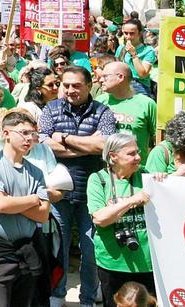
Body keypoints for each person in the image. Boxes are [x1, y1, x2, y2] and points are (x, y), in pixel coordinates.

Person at [39, 66, 118, 307]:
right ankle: (57, 294)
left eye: (76, 85)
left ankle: (87, 299)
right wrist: (87, 143)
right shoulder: (50, 109)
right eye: (66, 85)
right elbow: (43, 143)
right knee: (58, 247)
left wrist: (63, 138)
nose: (70, 90)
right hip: (58, 191)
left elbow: (105, 145)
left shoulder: (103, 112)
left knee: (91, 248)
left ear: (88, 85)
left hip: (92, 192)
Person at [0, 112, 52, 307]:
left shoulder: (36, 172)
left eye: (33, 134)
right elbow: (0, 205)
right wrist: (33, 199)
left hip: (27, 254)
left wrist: (11, 203)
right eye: (24, 132)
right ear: (6, 133)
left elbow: (43, 215)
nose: (29, 138)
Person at [87, 131, 157, 299]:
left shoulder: (146, 175)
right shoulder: (98, 179)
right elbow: (100, 219)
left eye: (138, 152)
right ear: (113, 156)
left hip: (147, 263)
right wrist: (132, 201)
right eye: (131, 154)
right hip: (113, 262)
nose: (138, 157)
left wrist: (169, 177)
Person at [96, 62, 157, 160]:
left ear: (120, 77)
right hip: (105, 169)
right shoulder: (99, 101)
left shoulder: (147, 104)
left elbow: (158, 140)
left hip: (136, 169)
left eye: (105, 76)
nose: (101, 80)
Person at [115, 19, 156, 98]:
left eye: (132, 33)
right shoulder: (121, 48)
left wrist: (134, 55)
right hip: (121, 84)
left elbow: (142, 74)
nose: (128, 37)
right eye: (125, 33)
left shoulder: (148, 50)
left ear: (139, 34)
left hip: (139, 85)